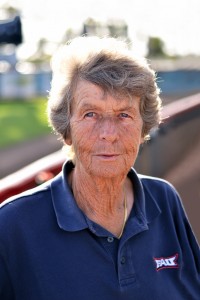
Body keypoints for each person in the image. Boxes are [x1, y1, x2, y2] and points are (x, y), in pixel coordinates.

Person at [0, 36, 199, 300]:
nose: (108, 133)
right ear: (66, 128)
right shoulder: (13, 225)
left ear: (143, 128)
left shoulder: (163, 199)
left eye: (124, 115)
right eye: (90, 114)